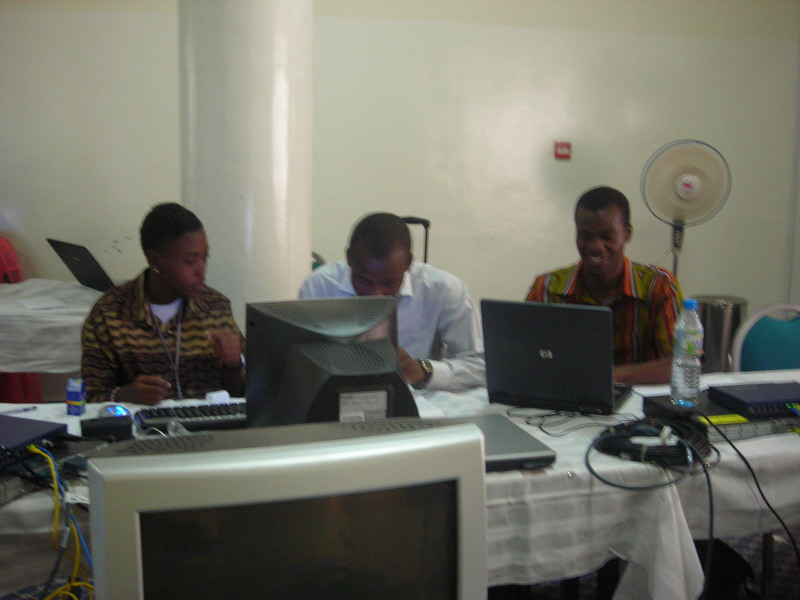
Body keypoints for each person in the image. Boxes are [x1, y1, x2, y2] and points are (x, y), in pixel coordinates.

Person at [299, 212, 485, 391]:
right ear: (349, 258)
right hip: (336, 394)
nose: (375, 295)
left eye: (388, 283)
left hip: (418, 400)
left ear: (408, 263)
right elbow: (298, 362)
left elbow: (479, 366)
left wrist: (423, 371)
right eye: (363, 281)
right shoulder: (319, 286)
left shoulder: (443, 290)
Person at [81, 203, 245, 404]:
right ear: (155, 260)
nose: (201, 269)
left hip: (210, 423)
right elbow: (90, 397)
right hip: (142, 423)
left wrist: (232, 366)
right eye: (190, 260)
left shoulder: (215, 308)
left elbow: (242, 397)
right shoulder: (110, 313)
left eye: (205, 257)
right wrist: (124, 396)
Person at [526, 186, 683, 385]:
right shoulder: (546, 288)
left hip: (637, 401)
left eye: (607, 237)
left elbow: (682, 363)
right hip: (565, 397)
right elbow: (523, 354)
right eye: (585, 236)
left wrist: (611, 376)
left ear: (627, 233)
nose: (595, 247)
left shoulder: (659, 286)